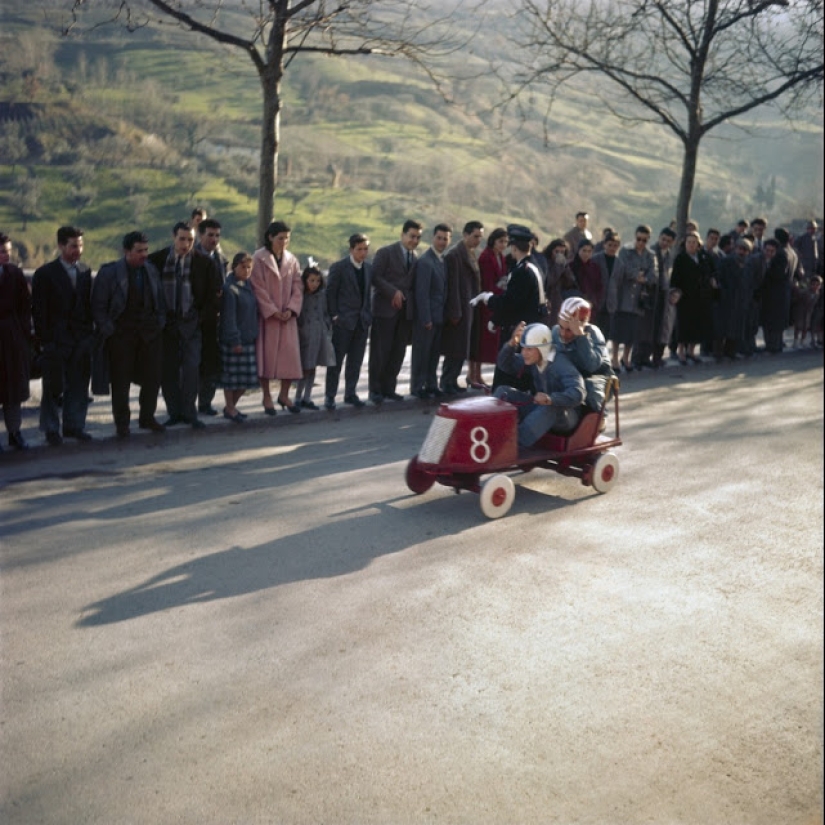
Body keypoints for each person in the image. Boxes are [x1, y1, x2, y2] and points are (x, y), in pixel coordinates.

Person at [91, 230, 166, 437]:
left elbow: (160, 302)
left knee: (152, 378)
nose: (144, 254)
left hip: (149, 334)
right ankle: (122, 423)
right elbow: (98, 306)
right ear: (126, 251)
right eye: (139, 250)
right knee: (120, 381)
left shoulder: (150, 270)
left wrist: (159, 323)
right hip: (121, 335)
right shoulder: (109, 273)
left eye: (146, 250)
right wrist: (109, 329)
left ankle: (147, 417)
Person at [148, 222, 218, 429]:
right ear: (173, 237)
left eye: (190, 239)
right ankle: (174, 412)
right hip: (166, 324)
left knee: (191, 369)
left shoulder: (204, 263)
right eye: (182, 239)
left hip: (192, 323)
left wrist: (199, 318)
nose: (186, 243)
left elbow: (212, 296)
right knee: (168, 371)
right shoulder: (158, 260)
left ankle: (190, 412)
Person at [31, 225, 95, 445]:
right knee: (53, 387)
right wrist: (45, 340)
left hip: (80, 339)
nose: (78, 250)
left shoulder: (85, 271)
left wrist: (88, 336)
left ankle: (74, 426)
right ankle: (50, 429)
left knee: (78, 385)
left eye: (80, 245)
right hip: (56, 340)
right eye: (73, 245)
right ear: (61, 246)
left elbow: (87, 305)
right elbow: (39, 311)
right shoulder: (45, 274)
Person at [494, 321, 585, 450]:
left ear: (542, 348)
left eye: (529, 349)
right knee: (503, 391)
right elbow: (505, 364)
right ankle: (493, 432)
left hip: (566, 416)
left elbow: (579, 393)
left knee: (549, 407)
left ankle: (513, 445)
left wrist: (551, 399)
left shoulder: (560, 363)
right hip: (541, 407)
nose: (524, 353)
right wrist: (512, 343)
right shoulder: (535, 358)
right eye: (523, 348)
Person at [250, 220, 303, 414]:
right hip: (268, 317)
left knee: (289, 357)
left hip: (287, 317)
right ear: (270, 237)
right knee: (265, 357)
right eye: (280, 238)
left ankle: (284, 394)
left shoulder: (292, 260)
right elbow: (257, 287)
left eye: (287, 238)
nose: (284, 242)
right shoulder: (258, 258)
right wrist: (272, 310)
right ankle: (266, 396)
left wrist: (291, 308)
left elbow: (298, 286)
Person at [368, 219, 422, 404]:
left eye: (418, 237)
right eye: (411, 236)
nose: (414, 240)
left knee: (398, 352)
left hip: (405, 313)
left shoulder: (415, 258)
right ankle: (375, 390)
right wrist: (393, 292)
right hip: (384, 311)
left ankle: (389, 388)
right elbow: (374, 277)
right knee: (380, 352)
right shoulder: (385, 253)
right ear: (403, 235)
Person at [325, 233, 372, 410]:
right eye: (359, 249)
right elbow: (330, 292)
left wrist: (368, 315)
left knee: (356, 361)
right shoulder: (339, 267)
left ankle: (350, 393)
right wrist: (335, 315)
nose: (363, 253)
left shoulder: (369, 268)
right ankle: (330, 396)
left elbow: (369, 294)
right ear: (351, 249)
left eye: (366, 249)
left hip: (361, 322)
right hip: (343, 322)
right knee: (336, 361)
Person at [606, 224, 658, 373]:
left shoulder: (650, 255)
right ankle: (614, 358)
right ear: (635, 237)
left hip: (639, 298)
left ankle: (626, 358)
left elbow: (653, 275)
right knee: (618, 330)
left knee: (632, 332)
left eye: (644, 240)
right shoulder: (625, 251)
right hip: (623, 296)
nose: (641, 242)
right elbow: (623, 268)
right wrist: (637, 275)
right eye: (639, 239)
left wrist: (644, 278)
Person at [441, 220, 484, 394]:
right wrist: (455, 311)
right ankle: (447, 381)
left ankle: (452, 381)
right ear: (465, 235)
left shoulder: (471, 253)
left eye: (480, 237)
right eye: (475, 236)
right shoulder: (454, 255)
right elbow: (452, 287)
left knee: (462, 349)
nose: (478, 240)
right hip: (458, 310)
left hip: (469, 308)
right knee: (454, 348)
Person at [410, 223, 451, 399]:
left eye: (445, 239)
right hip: (427, 318)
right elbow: (422, 293)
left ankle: (431, 384)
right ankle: (417, 386)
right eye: (439, 238)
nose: (442, 242)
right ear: (433, 238)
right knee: (422, 353)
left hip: (439, 316)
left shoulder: (443, 260)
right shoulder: (426, 261)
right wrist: (426, 318)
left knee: (434, 354)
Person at [551, 296, 612, 412]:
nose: (563, 334)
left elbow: (590, 366)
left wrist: (580, 336)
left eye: (569, 330)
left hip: (597, 376)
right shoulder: (555, 332)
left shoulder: (594, 334)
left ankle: (598, 418)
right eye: (561, 327)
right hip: (572, 376)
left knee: (590, 388)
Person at [217, 252, 259, 422]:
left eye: (249, 267)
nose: (246, 270)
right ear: (234, 267)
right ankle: (230, 407)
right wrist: (235, 339)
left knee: (246, 380)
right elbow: (229, 317)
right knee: (232, 379)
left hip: (249, 338)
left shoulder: (248, 285)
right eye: (243, 267)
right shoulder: (230, 288)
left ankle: (230, 407)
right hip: (234, 340)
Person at [0, 233, 31, 451]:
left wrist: (20, 331)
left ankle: (14, 432)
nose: (6, 255)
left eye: (8, 251)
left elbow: (24, 306)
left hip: (11, 337)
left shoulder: (15, 274)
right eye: (2, 251)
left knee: (13, 388)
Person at [669, 230, 717, 364]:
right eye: (689, 242)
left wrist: (712, 280)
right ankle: (681, 352)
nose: (691, 245)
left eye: (694, 242)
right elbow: (675, 278)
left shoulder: (703, 257)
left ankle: (691, 351)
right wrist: (675, 291)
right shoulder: (680, 258)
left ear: (698, 244)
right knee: (684, 325)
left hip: (701, 296)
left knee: (698, 325)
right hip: (685, 296)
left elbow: (711, 272)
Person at [194, 217, 226, 415]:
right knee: (191, 365)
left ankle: (205, 403)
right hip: (196, 319)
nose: (214, 239)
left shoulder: (221, 259)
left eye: (217, 235)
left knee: (211, 364)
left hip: (215, 320)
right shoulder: (191, 256)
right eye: (210, 235)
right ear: (200, 235)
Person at [294, 263, 334, 410]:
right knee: (305, 366)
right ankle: (297, 397)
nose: (314, 284)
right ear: (305, 280)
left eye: (317, 281)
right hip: (305, 335)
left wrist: (327, 325)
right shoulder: (301, 296)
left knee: (313, 366)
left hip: (319, 333)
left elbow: (325, 312)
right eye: (311, 280)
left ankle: (307, 396)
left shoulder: (322, 295)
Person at [475, 227, 509, 383]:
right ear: (493, 241)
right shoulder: (486, 257)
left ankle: (478, 375)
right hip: (486, 301)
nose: (503, 245)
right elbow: (487, 283)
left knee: (490, 341)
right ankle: (474, 374)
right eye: (500, 241)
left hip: (497, 299)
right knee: (481, 341)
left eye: (505, 242)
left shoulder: (500, 256)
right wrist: (501, 289)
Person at [761, 228, 800, 353]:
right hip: (785, 291)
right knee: (779, 320)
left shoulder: (780, 253)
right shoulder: (792, 252)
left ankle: (772, 346)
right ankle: (777, 345)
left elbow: (777, 273)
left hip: (774, 291)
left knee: (771, 321)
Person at [714, 237, 753, 359]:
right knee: (722, 329)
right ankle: (718, 353)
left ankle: (731, 352)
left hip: (740, 300)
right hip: (726, 299)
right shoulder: (726, 261)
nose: (742, 252)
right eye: (740, 249)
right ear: (735, 249)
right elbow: (718, 278)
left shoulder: (748, 264)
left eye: (745, 250)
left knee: (736, 328)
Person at [591, 232, 620, 334]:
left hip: (611, 304)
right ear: (604, 245)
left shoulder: (620, 263)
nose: (612, 248)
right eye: (610, 245)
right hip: (597, 302)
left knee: (606, 333)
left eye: (615, 245)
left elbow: (619, 283)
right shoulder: (595, 259)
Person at [542, 238, 576, 325]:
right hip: (546, 299)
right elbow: (549, 281)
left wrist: (564, 266)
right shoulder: (545, 263)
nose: (559, 254)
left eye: (562, 252)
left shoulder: (563, 264)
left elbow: (570, 281)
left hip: (557, 300)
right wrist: (558, 266)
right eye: (557, 252)